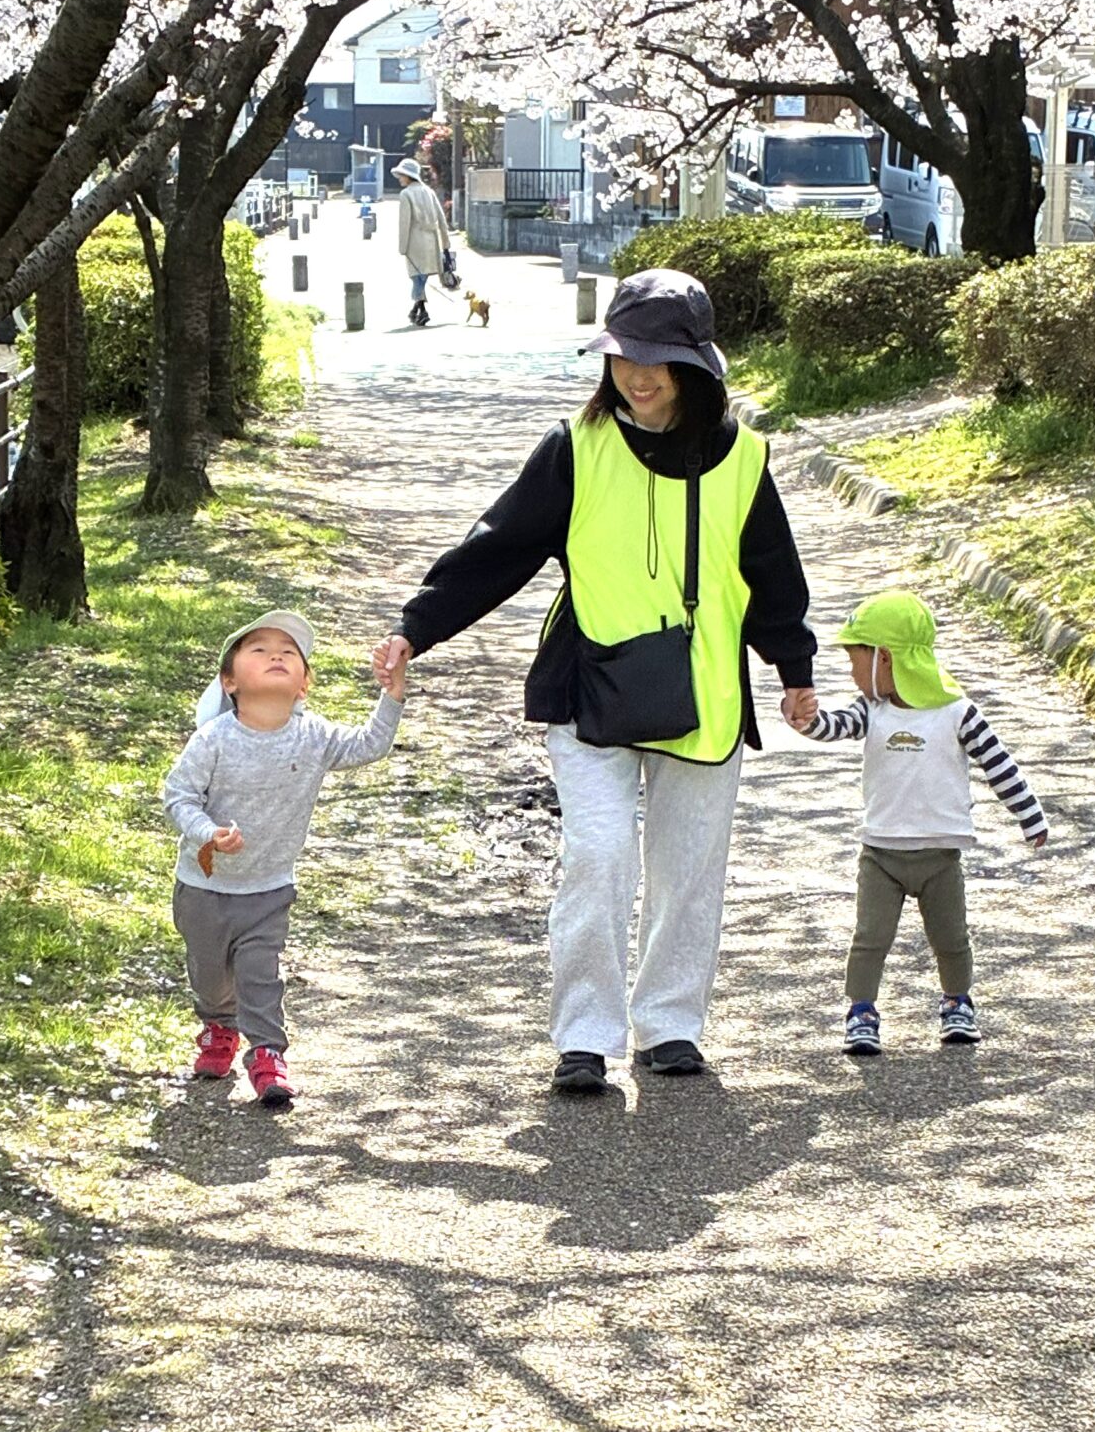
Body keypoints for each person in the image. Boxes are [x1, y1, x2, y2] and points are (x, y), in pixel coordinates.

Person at [374, 267, 817, 1094]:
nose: (637, 377)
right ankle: (584, 1035)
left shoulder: (743, 458)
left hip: (706, 695)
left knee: (689, 870)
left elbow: (771, 575)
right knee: (600, 854)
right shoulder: (575, 447)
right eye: (622, 357)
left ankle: (671, 1024)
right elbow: (499, 549)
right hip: (590, 686)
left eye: (657, 361)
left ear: (695, 366)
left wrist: (794, 670)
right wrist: (416, 626)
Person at [787, 590, 1047, 1054]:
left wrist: (1030, 816)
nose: (852, 674)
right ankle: (861, 1011)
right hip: (881, 854)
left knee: (952, 938)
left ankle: (957, 1003)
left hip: (940, 856)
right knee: (869, 938)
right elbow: (833, 726)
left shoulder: (957, 712)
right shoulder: (871, 710)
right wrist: (807, 720)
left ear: (885, 658)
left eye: (855, 661)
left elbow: (1000, 766)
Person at [163, 610, 404, 1108]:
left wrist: (392, 694)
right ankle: (219, 1027)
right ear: (229, 682)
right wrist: (209, 834)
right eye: (259, 650)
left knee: (260, 974)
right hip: (204, 887)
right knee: (210, 976)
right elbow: (178, 798)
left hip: (269, 889)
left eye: (289, 652)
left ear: (303, 684)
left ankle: (268, 1054)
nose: (276, 655)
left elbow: (371, 744)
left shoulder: (314, 736)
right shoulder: (213, 739)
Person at [393, 157, 450, 327]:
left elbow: (404, 223)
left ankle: (422, 310)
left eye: (402, 175)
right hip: (432, 241)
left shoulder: (406, 194)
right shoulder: (429, 191)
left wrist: (402, 247)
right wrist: (445, 243)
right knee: (421, 278)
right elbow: (441, 218)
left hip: (415, 242)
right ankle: (416, 310)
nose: (400, 178)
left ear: (408, 176)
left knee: (416, 277)